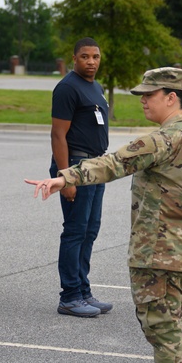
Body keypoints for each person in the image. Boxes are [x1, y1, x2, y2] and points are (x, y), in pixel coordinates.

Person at [25, 67, 182, 363]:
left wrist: (64, 176)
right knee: (168, 324)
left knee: (163, 329)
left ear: (171, 97)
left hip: (159, 250)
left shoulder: (163, 139)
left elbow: (113, 162)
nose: (143, 100)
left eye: (149, 94)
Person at [49, 38, 112, 318]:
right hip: (76, 164)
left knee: (90, 230)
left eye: (95, 56)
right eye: (85, 56)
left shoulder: (96, 87)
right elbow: (58, 134)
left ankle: (84, 291)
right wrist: (67, 177)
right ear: (74, 58)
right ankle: (70, 296)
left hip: (97, 166)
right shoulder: (67, 88)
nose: (91, 61)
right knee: (75, 231)